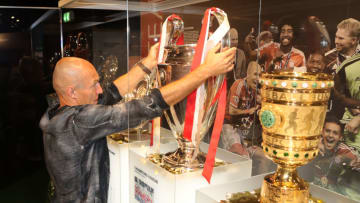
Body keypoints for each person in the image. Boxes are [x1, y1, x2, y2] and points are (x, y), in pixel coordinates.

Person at [40, 43, 236, 203]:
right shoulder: (78, 122)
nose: (99, 90)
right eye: (94, 84)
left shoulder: (57, 108)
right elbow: (145, 106)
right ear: (72, 92)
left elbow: (112, 92)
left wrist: (148, 63)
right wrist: (205, 71)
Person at [221, 61, 275, 175]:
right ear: (247, 74)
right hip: (231, 128)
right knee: (244, 158)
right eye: (255, 74)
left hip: (246, 134)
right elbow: (231, 110)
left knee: (266, 158)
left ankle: (258, 188)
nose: (258, 78)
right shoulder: (239, 84)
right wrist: (248, 111)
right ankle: (238, 189)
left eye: (260, 75)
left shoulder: (257, 91)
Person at [303, 115, 360, 201]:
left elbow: (355, 160)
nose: (330, 135)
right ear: (322, 132)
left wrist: (357, 163)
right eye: (327, 131)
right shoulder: (312, 143)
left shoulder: (343, 151)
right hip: (308, 188)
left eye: (335, 133)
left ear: (340, 137)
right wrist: (312, 147)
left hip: (330, 193)